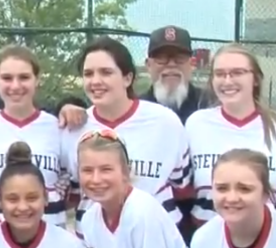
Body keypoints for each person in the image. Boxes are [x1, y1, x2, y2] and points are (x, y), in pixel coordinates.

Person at [63, 37, 189, 229]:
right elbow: (72, 193)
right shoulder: (74, 128)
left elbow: (183, 187)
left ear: (127, 78)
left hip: (155, 237)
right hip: (94, 239)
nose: (95, 81)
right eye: (88, 74)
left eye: (106, 72)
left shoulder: (165, 122)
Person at [185, 44, 276, 225]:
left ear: (255, 79)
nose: (227, 81)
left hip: (268, 234)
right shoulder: (196, 124)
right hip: (205, 232)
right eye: (220, 74)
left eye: (237, 73)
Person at [0, 46, 67, 229]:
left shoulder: (57, 127)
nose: (15, 86)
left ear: (37, 79)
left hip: (48, 235)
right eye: (7, 78)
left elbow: (72, 187)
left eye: (24, 77)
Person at [141, 25, 205, 121]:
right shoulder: (137, 108)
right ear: (148, 65)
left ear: (192, 64)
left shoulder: (209, 105)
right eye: (162, 58)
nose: (171, 64)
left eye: (180, 58)